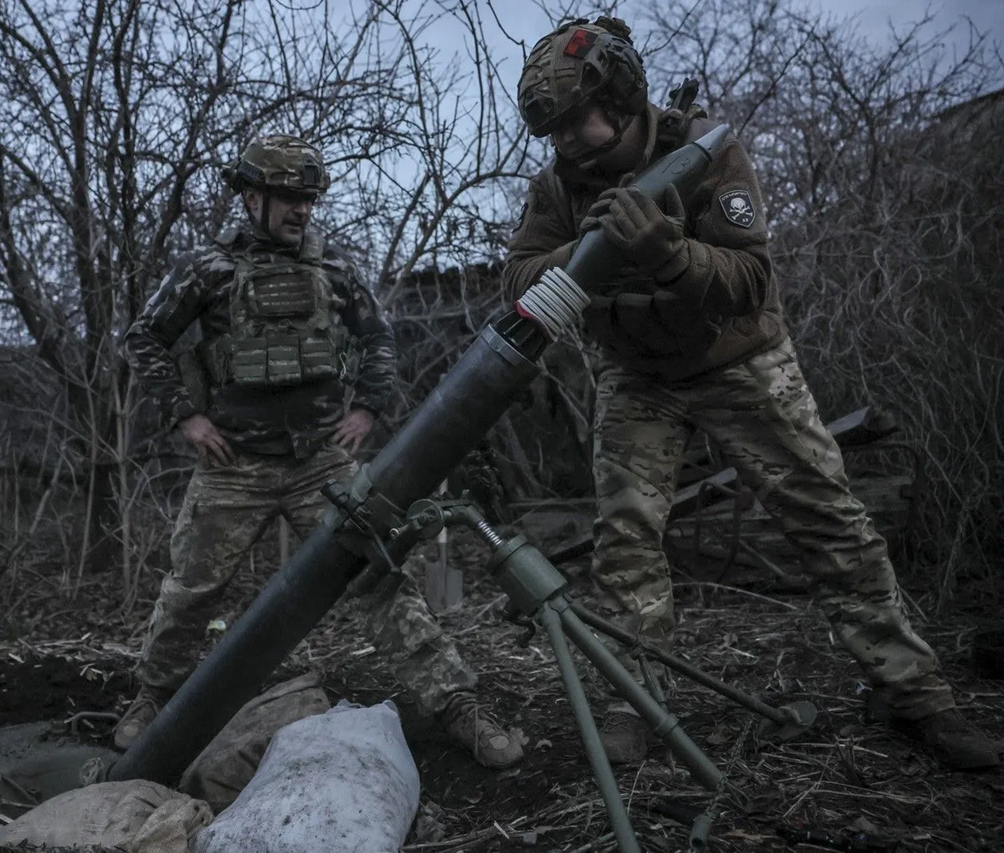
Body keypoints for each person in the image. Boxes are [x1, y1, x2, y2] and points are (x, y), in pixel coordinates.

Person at [504, 16, 998, 771]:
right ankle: (633, 703)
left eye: (579, 121)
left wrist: (668, 253)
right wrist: (583, 253)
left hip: (740, 358)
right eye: (557, 130)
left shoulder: (703, 152)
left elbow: (752, 279)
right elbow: (517, 282)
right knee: (625, 542)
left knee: (831, 520)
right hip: (637, 374)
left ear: (625, 94)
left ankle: (916, 695)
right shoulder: (557, 187)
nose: (569, 141)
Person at [120, 134, 524, 769]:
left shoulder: (333, 268)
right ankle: (150, 700)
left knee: (380, 581)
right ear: (251, 197)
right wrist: (187, 416)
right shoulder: (209, 269)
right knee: (192, 590)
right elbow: (143, 337)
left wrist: (368, 407)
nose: (301, 211)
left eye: (308, 200)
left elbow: (377, 337)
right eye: (287, 198)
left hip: (321, 467)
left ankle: (457, 706)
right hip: (235, 466)